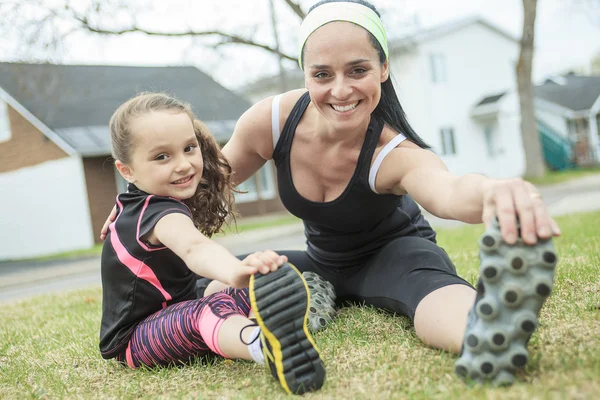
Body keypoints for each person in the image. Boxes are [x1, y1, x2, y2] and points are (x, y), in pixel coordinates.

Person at [101, 0, 560, 386]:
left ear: (383, 68)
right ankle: (302, 306)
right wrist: (132, 213)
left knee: (431, 294)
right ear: (304, 73)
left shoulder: (393, 151)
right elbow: (201, 182)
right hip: (320, 263)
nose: (340, 89)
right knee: (248, 272)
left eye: (357, 70)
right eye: (322, 74)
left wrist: (495, 193)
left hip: (395, 258)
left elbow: (450, 193)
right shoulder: (273, 122)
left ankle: (488, 328)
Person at [100, 92, 325, 395]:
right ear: (127, 170)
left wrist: (241, 280)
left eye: (188, 148)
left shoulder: (141, 198)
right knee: (205, 311)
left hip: (179, 307)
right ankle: (261, 344)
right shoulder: (158, 214)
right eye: (162, 157)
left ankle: (285, 317)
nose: (183, 165)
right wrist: (235, 269)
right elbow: (195, 248)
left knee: (226, 293)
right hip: (137, 338)